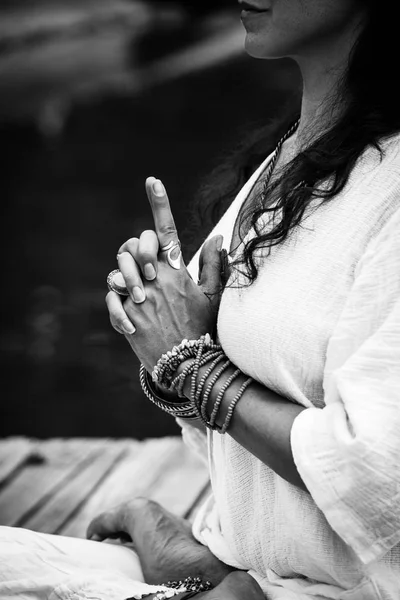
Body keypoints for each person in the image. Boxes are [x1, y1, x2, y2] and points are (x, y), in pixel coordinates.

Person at [1, 0, 399, 598]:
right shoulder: (289, 160)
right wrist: (179, 352)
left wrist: (193, 367)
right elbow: (239, 428)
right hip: (247, 578)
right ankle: (194, 561)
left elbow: (376, 474)